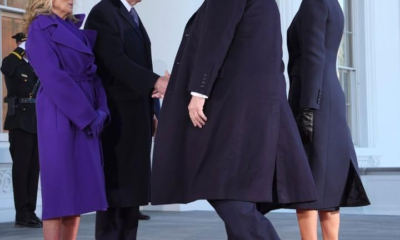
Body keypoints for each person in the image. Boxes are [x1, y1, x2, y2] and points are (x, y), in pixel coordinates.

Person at [151, 0, 319, 239]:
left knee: (223, 185)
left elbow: (215, 38)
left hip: (233, 105)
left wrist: (199, 92)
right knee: (237, 188)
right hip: (257, 105)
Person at [24, 0, 109, 239]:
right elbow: (53, 77)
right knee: (58, 192)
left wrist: (102, 108)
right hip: (59, 111)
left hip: (87, 111)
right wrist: (87, 115)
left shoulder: (74, 29)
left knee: (77, 194)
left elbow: (94, 73)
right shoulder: (40, 28)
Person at [287, 0, 371, 239]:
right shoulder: (333, 4)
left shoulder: (314, 2)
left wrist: (307, 108)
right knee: (325, 182)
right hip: (326, 96)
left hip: (313, 99)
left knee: (308, 181)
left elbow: (314, 55)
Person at [85, 0, 169, 239]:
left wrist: (153, 110)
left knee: (132, 195)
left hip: (137, 116)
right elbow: (115, 61)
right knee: (115, 194)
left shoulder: (131, 14)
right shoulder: (103, 12)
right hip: (116, 117)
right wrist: (155, 81)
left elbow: (141, 63)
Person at [1, 32, 42, 228]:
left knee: (34, 169)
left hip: (36, 122)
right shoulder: (13, 62)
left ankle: (31, 211)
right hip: (19, 122)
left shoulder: (35, 66)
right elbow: (5, 67)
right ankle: (21, 213)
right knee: (21, 169)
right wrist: (21, 49)